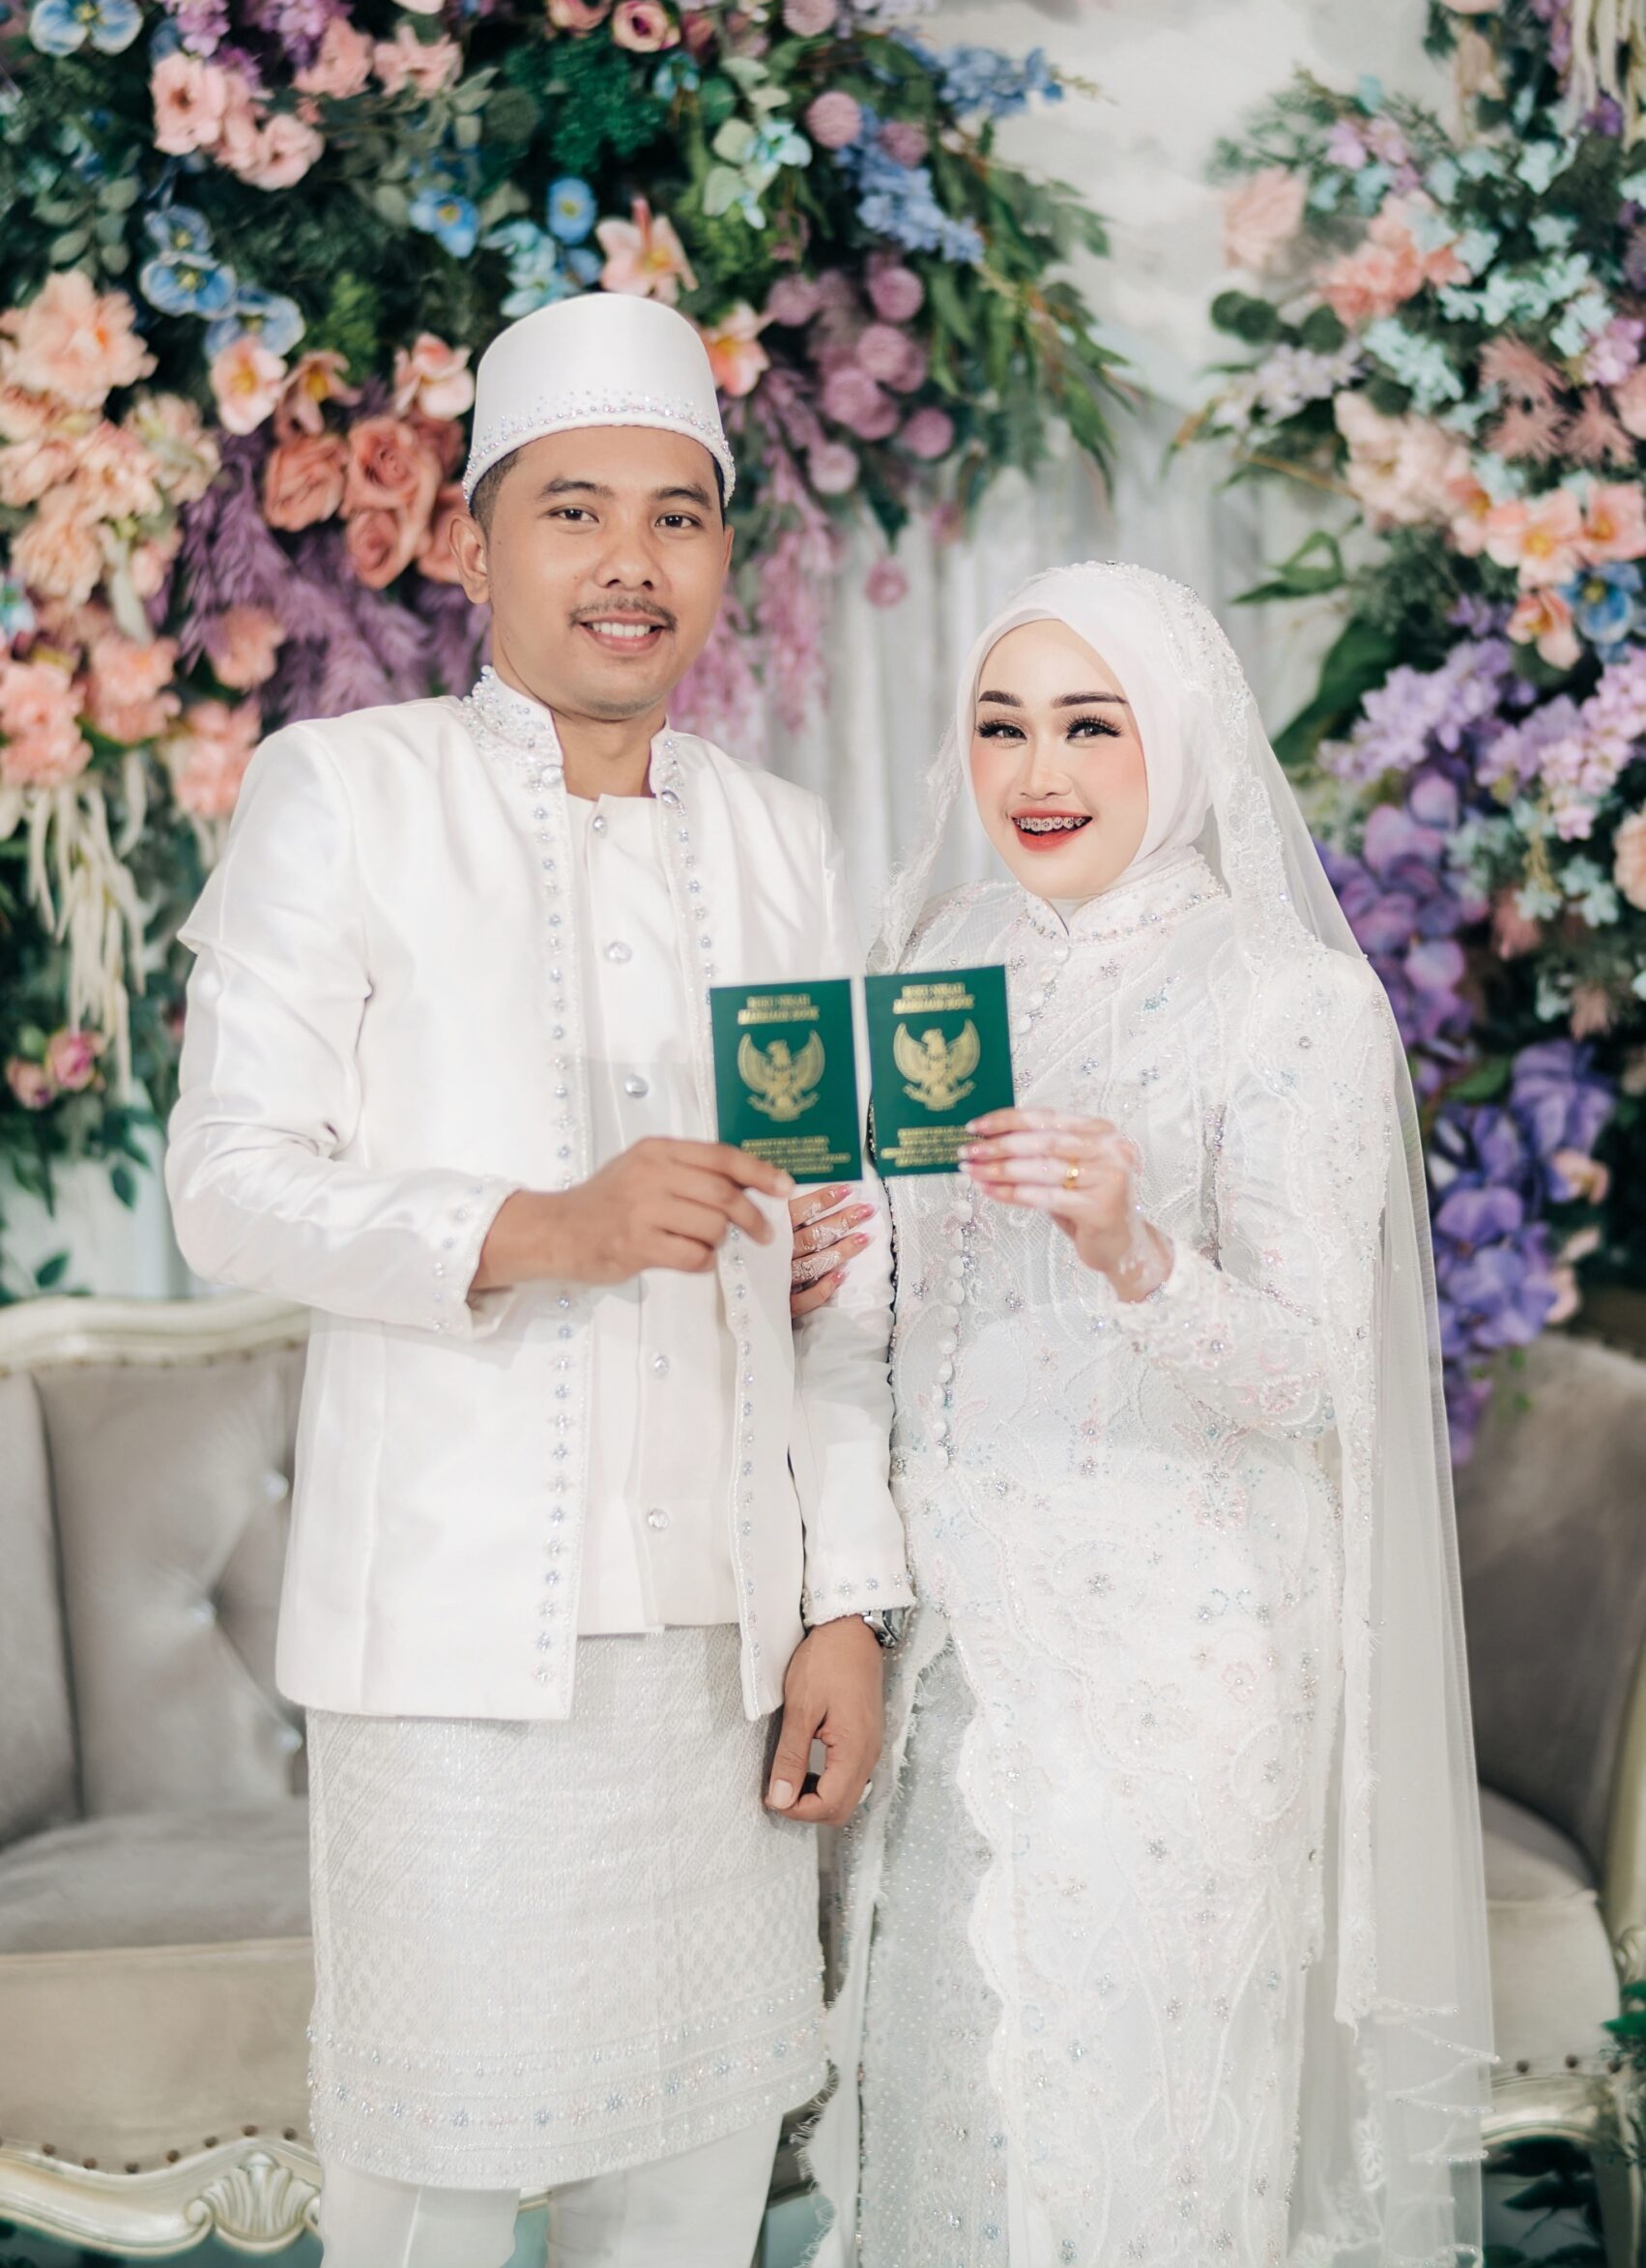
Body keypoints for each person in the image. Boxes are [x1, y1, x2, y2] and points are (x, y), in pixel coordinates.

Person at [164, 290, 911, 2268]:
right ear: (473, 539)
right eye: (574, 510)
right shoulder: (349, 791)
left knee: (689, 2201)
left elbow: (845, 1272)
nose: (628, 562)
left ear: (723, 557)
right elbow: (226, 1186)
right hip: (455, 1660)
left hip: (728, 1666)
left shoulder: (784, 843)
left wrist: (849, 1608)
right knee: (424, 2196)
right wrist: (537, 1229)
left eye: (679, 516)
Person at [806, 563, 1492, 2268]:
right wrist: (830, 1254)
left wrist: (1134, 1250)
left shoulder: (1289, 999)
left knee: (1125, 2142)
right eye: (1001, 727)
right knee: (950, 2120)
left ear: (1176, 741)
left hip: (1177, 1677)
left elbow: (1313, 1377)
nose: (1038, 771)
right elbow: (917, 1306)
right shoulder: (944, 956)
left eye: (1090, 727)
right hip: (958, 1650)